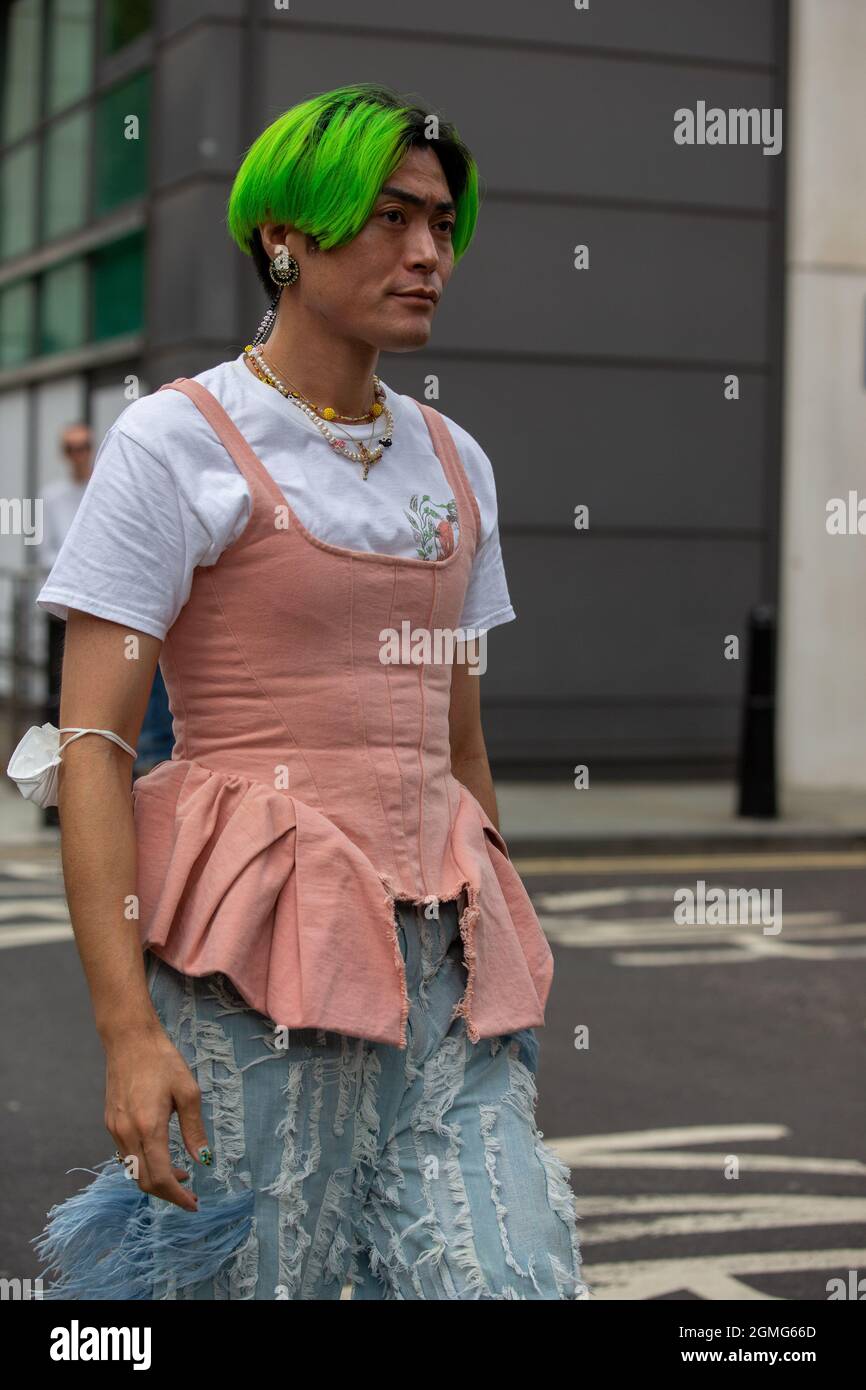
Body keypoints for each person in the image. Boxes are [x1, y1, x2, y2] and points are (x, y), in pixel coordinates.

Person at [29, 83, 591, 1300]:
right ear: (286, 236)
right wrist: (129, 1034)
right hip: (250, 975)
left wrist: (498, 945)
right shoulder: (174, 443)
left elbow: (460, 744)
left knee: (508, 1279)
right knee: (254, 1284)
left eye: (441, 224)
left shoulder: (456, 459)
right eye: (392, 218)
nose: (429, 254)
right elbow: (91, 749)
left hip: (441, 977)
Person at [39, 425, 93, 826]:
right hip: (65, 608)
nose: (79, 454)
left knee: (92, 700)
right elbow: (49, 553)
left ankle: (86, 794)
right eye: (71, 448)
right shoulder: (53, 497)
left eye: (84, 447)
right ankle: (51, 796)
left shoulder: (102, 488)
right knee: (57, 696)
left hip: (96, 609)